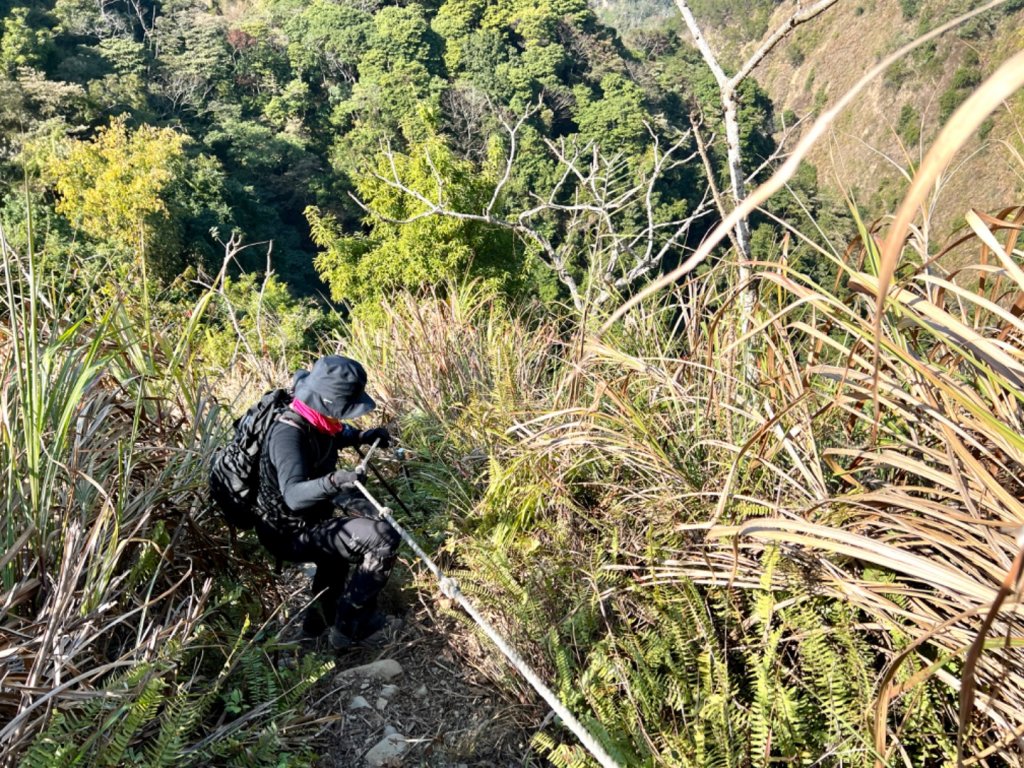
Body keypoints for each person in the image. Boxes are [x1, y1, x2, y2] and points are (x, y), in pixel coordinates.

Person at [254, 355, 400, 649]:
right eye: (344, 410)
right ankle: (350, 627)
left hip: (310, 518)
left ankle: (316, 627)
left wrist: (364, 435)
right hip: (286, 532)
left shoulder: (317, 418)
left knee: (339, 555)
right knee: (383, 538)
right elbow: (293, 496)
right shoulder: (287, 435)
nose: (345, 418)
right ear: (327, 403)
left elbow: (335, 435)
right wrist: (335, 481)